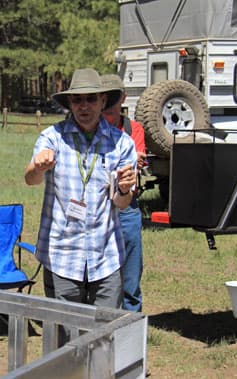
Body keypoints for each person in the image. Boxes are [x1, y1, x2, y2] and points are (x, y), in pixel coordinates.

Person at [24, 68, 137, 345]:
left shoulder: (122, 143)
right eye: (77, 101)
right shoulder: (52, 137)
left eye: (90, 99)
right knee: (63, 338)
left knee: (102, 336)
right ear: (69, 104)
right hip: (62, 255)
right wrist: (38, 166)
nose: (83, 106)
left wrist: (124, 188)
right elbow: (30, 179)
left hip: (106, 255)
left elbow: (122, 204)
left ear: (102, 102)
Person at [101, 74, 147, 312]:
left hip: (127, 208)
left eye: (113, 96)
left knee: (130, 276)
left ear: (123, 98)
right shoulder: (90, 127)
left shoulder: (133, 128)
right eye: (104, 96)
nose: (109, 102)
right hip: (99, 207)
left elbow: (136, 159)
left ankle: (130, 335)